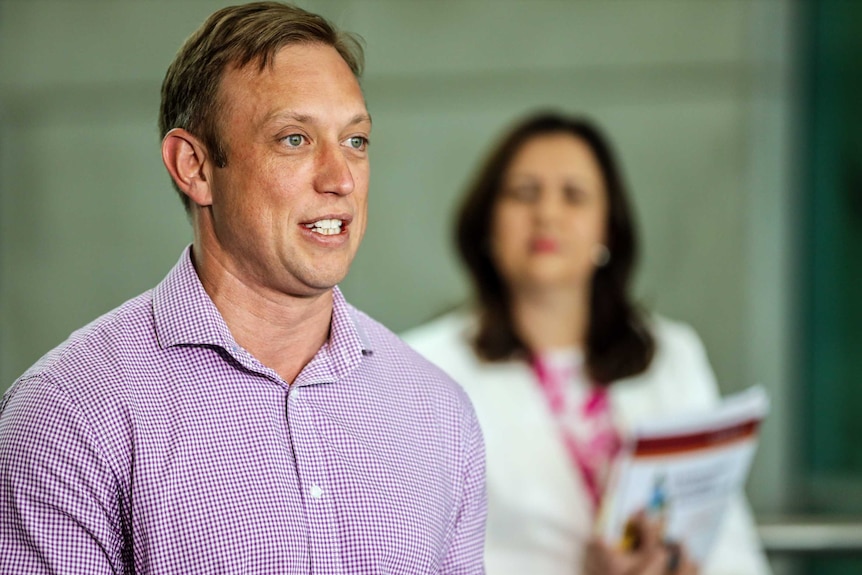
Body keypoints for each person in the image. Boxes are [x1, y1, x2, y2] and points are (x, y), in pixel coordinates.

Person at [0, 3, 486, 573]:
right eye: (294, 139)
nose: (341, 179)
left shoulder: (438, 411)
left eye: (355, 140)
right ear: (196, 166)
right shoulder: (69, 410)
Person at [402, 112, 771, 575]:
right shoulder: (421, 367)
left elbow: (731, 547)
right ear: (488, 224)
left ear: (607, 230)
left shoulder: (673, 354)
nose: (547, 214)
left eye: (573, 195)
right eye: (524, 193)